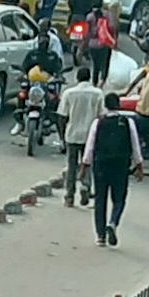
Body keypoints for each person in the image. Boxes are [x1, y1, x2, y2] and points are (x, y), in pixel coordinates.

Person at [83, 99, 145, 246]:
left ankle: (100, 236)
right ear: (118, 106)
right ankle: (113, 222)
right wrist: (139, 166)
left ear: (105, 105)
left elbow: (90, 146)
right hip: (121, 165)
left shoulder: (98, 122)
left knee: (100, 199)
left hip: (101, 165)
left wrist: (85, 166)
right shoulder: (127, 122)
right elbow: (135, 145)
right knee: (119, 199)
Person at [58, 66, 105, 208]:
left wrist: (62, 136)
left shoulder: (69, 93)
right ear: (89, 78)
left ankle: (69, 196)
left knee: (71, 165)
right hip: (90, 135)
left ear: (77, 78)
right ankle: (85, 187)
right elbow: (101, 115)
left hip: (72, 134)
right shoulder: (97, 93)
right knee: (88, 164)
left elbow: (62, 116)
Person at [86, 5, 119, 87]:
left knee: (95, 65)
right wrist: (114, 41)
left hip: (92, 44)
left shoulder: (89, 16)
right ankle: (102, 82)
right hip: (105, 43)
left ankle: (94, 83)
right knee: (105, 64)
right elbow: (113, 28)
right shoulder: (108, 15)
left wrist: (84, 45)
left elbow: (87, 33)